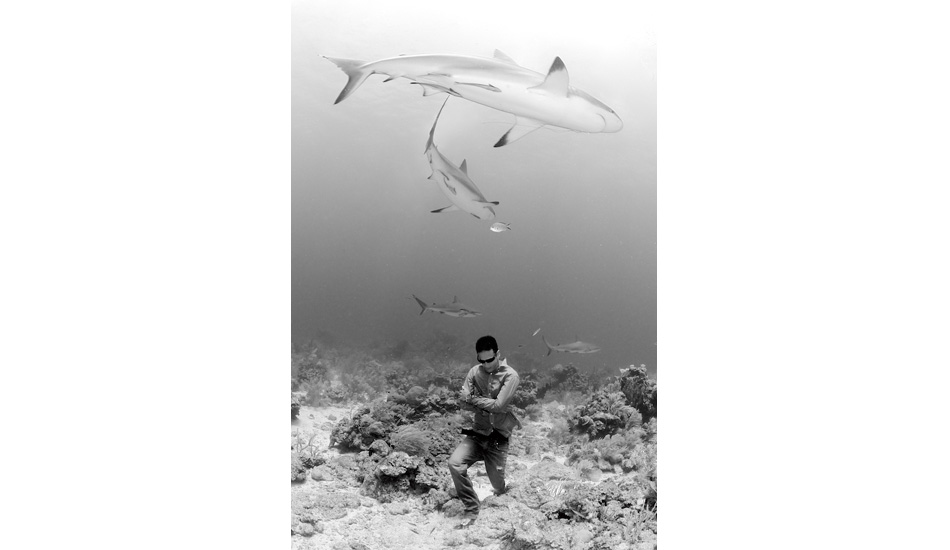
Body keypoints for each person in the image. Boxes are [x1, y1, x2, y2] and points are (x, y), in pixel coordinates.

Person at [448, 335, 521, 526]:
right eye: (482, 361)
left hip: (499, 437)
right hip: (478, 432)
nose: (486, 365)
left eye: (490, 360)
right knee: (455, 463)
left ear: (498, 354)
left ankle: (505, 503)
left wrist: (473, 399)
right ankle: (472, 508)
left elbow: (498, 406)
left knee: (498, 484)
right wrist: (481, 403)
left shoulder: (511, 376)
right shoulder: (474, 372)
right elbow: (462, 402)